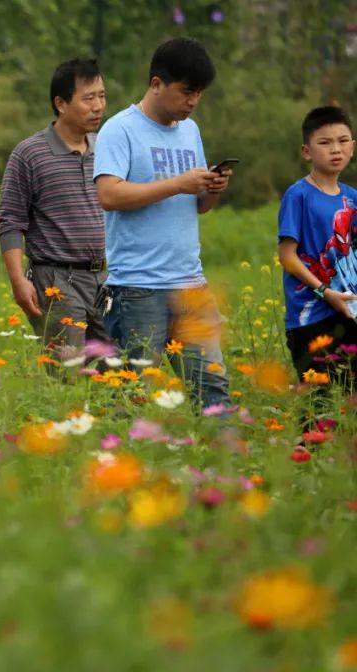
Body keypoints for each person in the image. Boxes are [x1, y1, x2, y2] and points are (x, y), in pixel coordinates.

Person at [93, 38, 233, 409]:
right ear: (156, 84)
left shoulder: (191, 131)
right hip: (138, 288)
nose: (193, 102)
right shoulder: (119, 130)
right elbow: (108, 194)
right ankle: (121, 462)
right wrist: (178, 184)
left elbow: (200, 207)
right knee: (132, 395)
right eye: (186, 92)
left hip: (191, 285)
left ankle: (224, 463)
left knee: (213, 389)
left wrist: (212, 188)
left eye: (199, 93)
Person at [0, 58, 108, 353]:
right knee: (67, 371)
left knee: (115, 371)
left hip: (106, 277)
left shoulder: (107, 147)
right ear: (61, 103)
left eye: (101, 95)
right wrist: (18, 280)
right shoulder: (29, 153)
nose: (98, 106)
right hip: (57, 279)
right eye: (88, 98)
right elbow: (10, 221)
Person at [277, 105, 357, 392]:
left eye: (343, 141)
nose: (335, 149)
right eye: (325, 142)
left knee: (348, 401)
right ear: (306, 151)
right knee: (318, 407)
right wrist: (324, 292)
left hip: (348, 311)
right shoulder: (298, 195)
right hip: (310, 317)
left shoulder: (352, 198)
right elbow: (287, 256)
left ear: (352, 147)